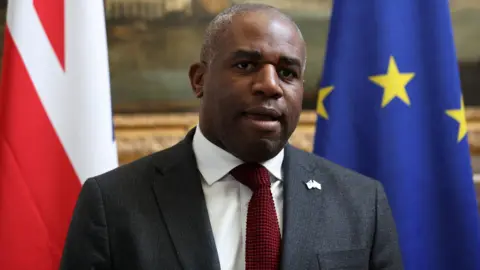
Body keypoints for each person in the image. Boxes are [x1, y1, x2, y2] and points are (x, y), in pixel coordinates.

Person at [60, 3, 403, 270]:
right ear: (199, 80)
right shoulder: (112, 203)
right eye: (245, 65)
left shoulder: (361, 202)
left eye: (288, 72)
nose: (270, 85)